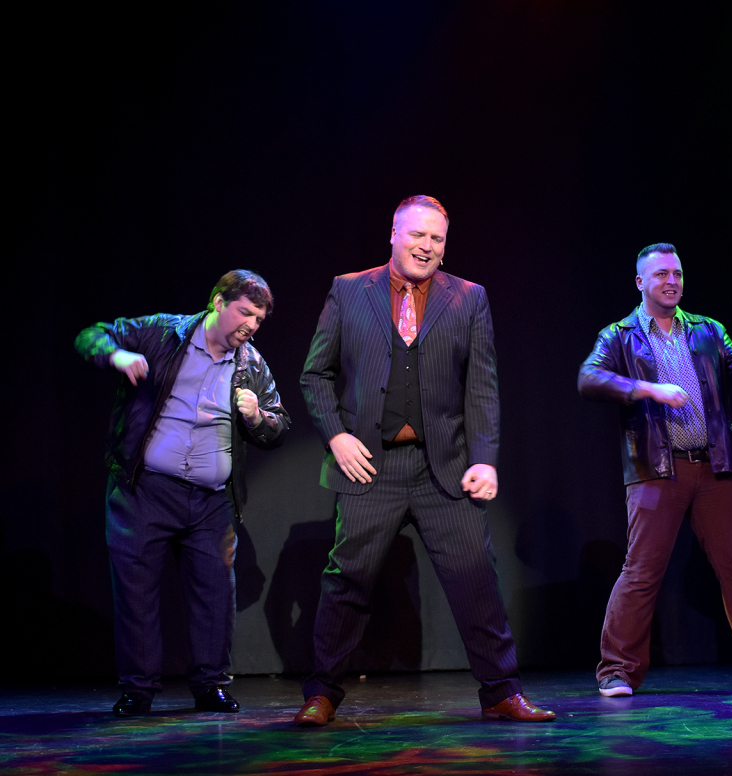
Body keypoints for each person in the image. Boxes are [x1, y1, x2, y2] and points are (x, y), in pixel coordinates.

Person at [294, 195, 554, 725]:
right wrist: (337, 437)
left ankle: (501, 691)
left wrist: (485, 459)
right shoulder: (349, 290)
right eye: (417, 235)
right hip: (371, 465)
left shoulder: (469, 297)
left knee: (476, 578)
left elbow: (482, 385)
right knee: (348, 581)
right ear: (394, 234)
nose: (426, 246)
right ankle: (321, 695)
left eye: (437, 238)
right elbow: (315, 374)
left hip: (445, 466)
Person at [578, 243, 732, 697]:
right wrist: (649, 389)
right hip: (657, 470)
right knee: (642, 572)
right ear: (640, 282)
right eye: (661, 274)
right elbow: (590, 378)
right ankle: (617, 671)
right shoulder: (619, 335)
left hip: (714, 469)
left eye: (677, 274)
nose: (672, 281)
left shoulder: (707, 330)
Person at [75, 270, 290, 716]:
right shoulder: (164, 332)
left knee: (215, 596)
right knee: (136, 592)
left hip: (211, 501)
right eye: (245, 313)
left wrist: (257, 418)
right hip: (144, 490)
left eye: (259, 319)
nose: (251, 325)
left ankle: (210, 686)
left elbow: (278, 426)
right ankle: (138, 689)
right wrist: (116, 355)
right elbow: (91, 336)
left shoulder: (251, 364)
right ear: (218, 302)